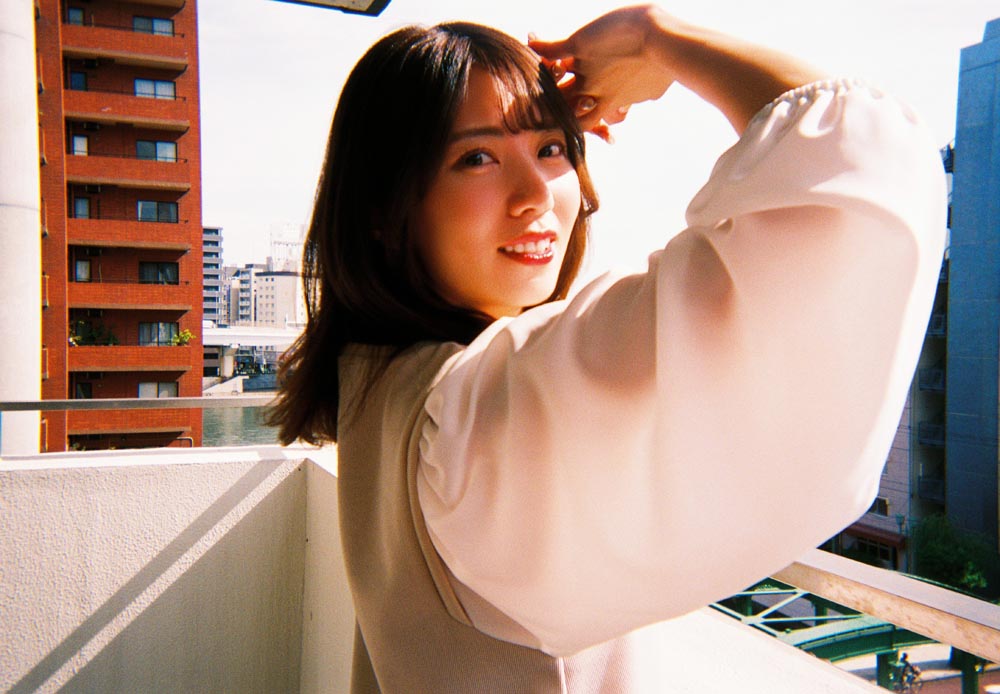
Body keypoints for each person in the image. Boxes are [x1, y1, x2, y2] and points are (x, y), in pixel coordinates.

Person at [269, 5, 946, 691]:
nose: (535, 194)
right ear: (383, 207)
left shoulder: (382, 382)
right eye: (476, 158)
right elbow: (843, 190)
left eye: (551, 149)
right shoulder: (476, 422)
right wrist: (658, 37)